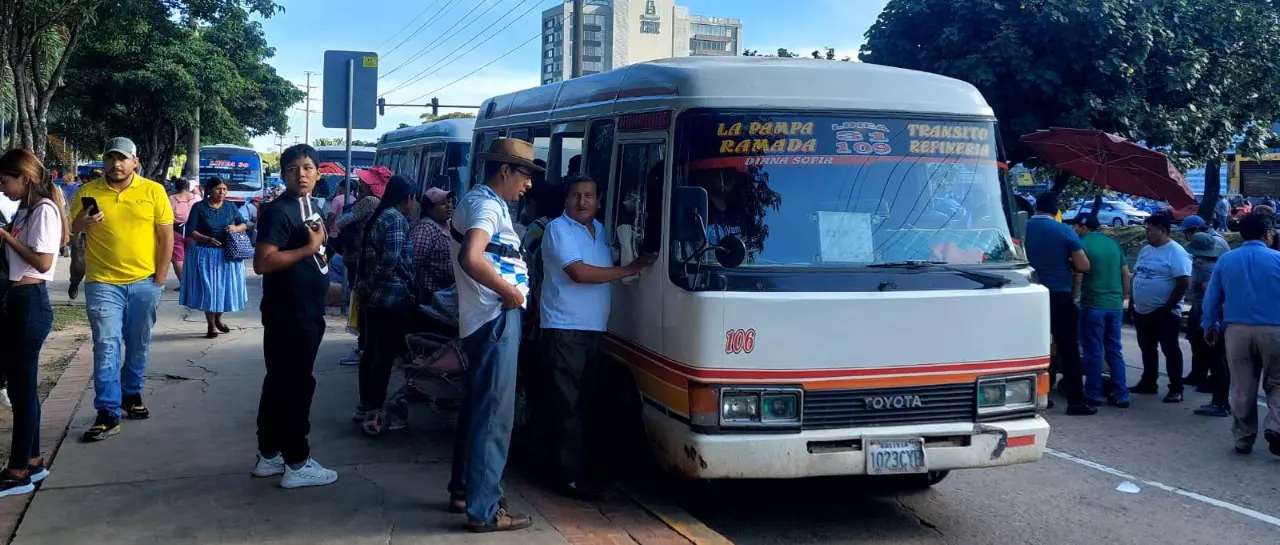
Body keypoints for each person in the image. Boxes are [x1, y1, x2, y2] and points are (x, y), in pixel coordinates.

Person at [538, 175, 655, 499]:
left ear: (599, 201)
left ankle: (566, 470)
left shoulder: (600, 230)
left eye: (589, 195)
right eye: (576, 195)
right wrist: (628, 269)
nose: (582, 201)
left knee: (583, 404)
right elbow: (579, 273)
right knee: (568, 407)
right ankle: (568, 480)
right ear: (566, 200)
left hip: (592, 330)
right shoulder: (557, 230)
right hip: (564, 329)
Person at [448, 137, 541, 532]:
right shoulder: (487, 206)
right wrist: (510, 292)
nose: (529, 184)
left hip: (482, 319)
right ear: (505, 171)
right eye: (525, 175)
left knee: (477, 409)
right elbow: (472, 256)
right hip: (495, 320)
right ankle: (485, 511)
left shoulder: (478, 200)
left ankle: (464, 490)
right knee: (494, 417)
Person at [70, 137, 174, 441]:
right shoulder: (88, 192)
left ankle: (131, 393)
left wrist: (160, 278)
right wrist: (83, 222)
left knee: (138, 342)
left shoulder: (153, 191)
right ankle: (107, 411)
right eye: (110, 158)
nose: (116, 164)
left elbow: (165, 236)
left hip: (144, 281)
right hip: (103, 282)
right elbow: (71, 231)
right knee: (106, 345)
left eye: (122, 159)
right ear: (103, 161)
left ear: (134, 162)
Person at [250, 144, 337, 488]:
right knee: (296, 386)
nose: (300, 174)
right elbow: (263, 262)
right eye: (292, 169)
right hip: (290, 314)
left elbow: (317, 254)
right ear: (283, 174)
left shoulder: (309, 207)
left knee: (279, 383)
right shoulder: (279, 211)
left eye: (307, 167)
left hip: (306, 310)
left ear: (318, 173)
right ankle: (297, 462)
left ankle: (270, 455)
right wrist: (307, 249)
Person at [0, 149, 69, 496]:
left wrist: (5, 236)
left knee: (22, 390)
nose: (3, 189)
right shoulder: (28, 209)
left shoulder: (43, 210)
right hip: (20, 300)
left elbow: (42, 263)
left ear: (24, 177)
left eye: (5, 181)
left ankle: (17, 472)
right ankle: (34, 461)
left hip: (30, 302)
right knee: (21, 387)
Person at [1202, 211, 1280, 455]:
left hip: (1236, 331)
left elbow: (1212, 298)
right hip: (1275, 330)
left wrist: (1210, 325)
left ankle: (1243, 439)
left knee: (1242, 385)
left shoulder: (1226, 260)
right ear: (1268, 234)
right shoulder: (1278, 259)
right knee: (1278, 382)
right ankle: (1276, 426)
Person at [353, 176, 417, 433]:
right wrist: (371, 285)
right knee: (383, 356)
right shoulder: (396, 219)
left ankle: (365, 404)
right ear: (408, 198)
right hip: (391, 296)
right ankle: (375, 407)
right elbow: (390, 261)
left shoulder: (380, 216)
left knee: (371, 352)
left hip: (376, 298)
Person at [1024, 192, 1092, 415]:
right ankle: (1075, 402)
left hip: (1027, 295)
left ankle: (1034, 395)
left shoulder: (1019, 228)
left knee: (1032, 349)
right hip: (1059, 296)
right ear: (1056, 211)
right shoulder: (1064, 231)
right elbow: (1083, 265)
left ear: (1036, 207)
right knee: (1068, 348)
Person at [1129, 212, 1192, 403]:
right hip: (1142, 310)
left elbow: (1183, 282)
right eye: (1146, 230)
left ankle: (1176, 388)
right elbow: (1137, 275)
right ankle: (1149, 381)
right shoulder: (1146, 250)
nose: (1147, 234)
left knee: (1170, 349)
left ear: (1164, 231)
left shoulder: (1175, 251)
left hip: (1164, 312)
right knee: (1147, 348)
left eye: (1151, 231)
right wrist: (1132, 301)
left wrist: (1167, 307)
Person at [1069, 216, 1131, 408]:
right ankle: (1121, 394)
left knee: (1093, 351)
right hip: (1115, 305)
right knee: (1114, 350)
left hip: (1093, 304)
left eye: (1075, 226)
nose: (1073, 229)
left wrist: (1072, 299)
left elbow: (1078, 277)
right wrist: (1123, 296)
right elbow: (1126, 273)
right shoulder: (1113, 244)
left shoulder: (1080, 244)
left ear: (1083, 227)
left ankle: (1093, 393)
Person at [180, 177, 250, 339]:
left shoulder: (230, 206)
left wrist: (235, 228)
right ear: (209, 190)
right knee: (210, 291)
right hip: (205, 254)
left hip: (227, 254)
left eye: (225, 189)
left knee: (224, 290)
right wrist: (206, 239)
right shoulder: (199, 207)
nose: (222, 192)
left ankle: (218, 318)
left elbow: (244, 224)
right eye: (219, 189)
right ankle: (211, 325)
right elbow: (191, 230)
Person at [1183, 233, 1230, 417]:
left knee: (1214, 358)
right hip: (1218, 315)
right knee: (1216, 358)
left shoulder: (1203, 269)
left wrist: (1209, 323)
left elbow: (1210, 295)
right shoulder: (1215, 265)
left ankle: (1219, 401)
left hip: (1207, 314)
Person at [335, 196, 380, 366]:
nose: (359, 184)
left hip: (359, 260)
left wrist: (350, 212)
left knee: (362, 306)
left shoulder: (369, 201)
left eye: (364, 182)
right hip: (363, 261)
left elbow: (342, 221)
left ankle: (362, 348)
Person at [411, 187, 456, 304]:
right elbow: (413, 264)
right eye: (442, 204)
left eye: (449, 201)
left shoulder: (450, 224)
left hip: (447, 294)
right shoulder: (425, 229)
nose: (448, 206)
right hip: (430, 297)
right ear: (429, 209)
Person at [168, 177, 201, 291]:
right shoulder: (197, 198)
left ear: (176, 187)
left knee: (178, 258)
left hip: (176, 230)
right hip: (194, 231)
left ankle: (184, 284)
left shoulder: (171, 199)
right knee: (192, 257)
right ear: (188, 187)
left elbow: (168, 217)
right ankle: (194, 283)